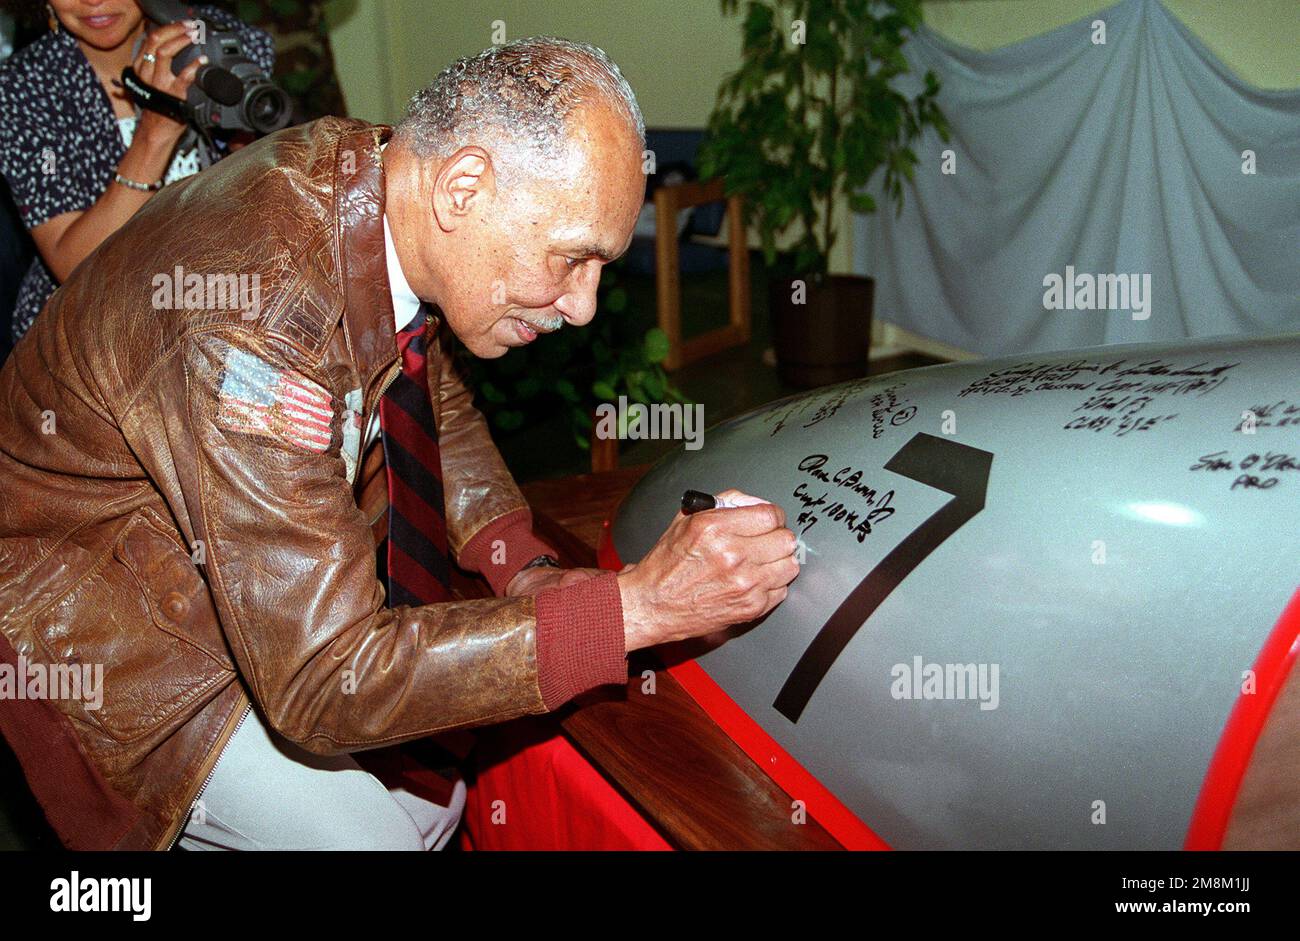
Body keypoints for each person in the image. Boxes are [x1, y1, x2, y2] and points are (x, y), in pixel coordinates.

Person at [0, 36, 800, 850]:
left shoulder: (380, 175)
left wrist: (518, 561)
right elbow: (325, 679)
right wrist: (638, 609)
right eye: (572, 257)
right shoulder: (253, 329)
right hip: (111, 622)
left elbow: (432, 387)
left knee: (435, 798)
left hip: (230, 544)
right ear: (465, 187)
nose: (585, 304)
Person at [0, 0, 273, 343]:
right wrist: (156, 129)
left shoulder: (210, 35)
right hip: (100, 337)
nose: (92, 0)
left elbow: (271, 194)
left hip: (232, 303)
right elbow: (73, 267)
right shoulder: (23, 90)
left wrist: (237, 121)